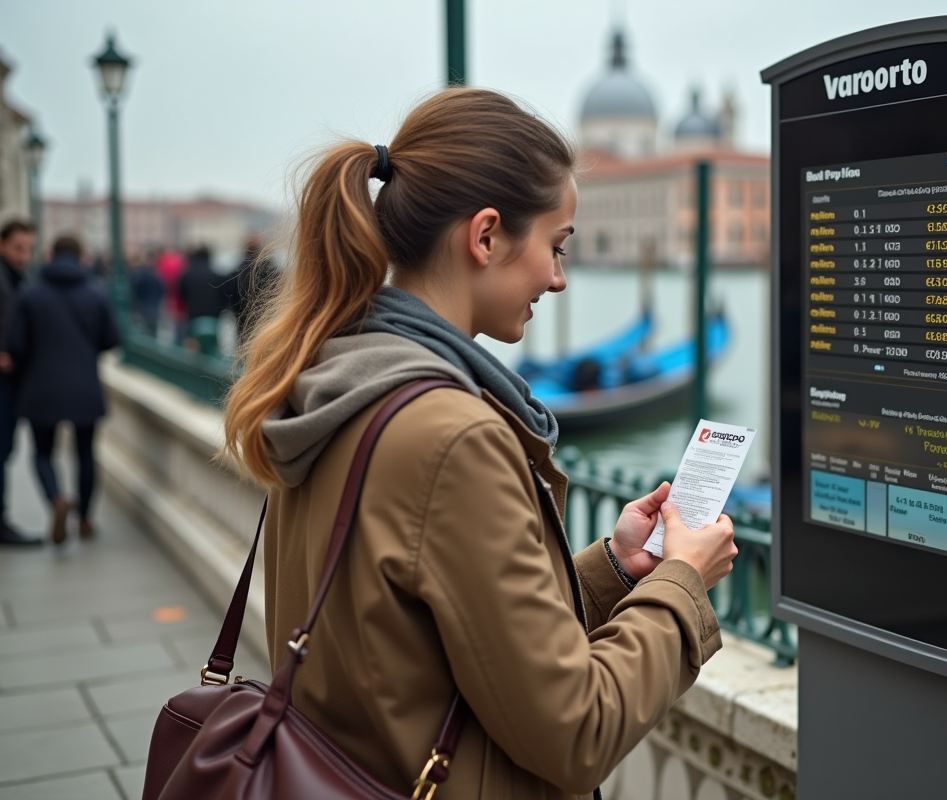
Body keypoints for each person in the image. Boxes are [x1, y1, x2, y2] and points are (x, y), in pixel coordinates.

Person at [222, 88, 737, 799]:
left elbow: (438, 633)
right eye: (555, 247)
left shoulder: (334, 376)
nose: (558, 278)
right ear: (487, 235)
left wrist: (616, 568)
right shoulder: (452, 436)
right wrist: (683, 583)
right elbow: (575, 729)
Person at [7, 235, 119, 544]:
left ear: (50, 255)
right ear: (82, 255)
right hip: (84, 385)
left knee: (43, 452)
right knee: (85, 453)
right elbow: (112, 339)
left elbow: (16, 344)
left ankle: (57, 500)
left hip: (40, 387)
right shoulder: (96, 292)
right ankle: (84, 520)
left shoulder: (30, 294)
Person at [0, 219, 39, 545]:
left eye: (29, 249)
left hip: (11, 379)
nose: (25, 255)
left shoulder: (17, 277)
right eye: (18, 248)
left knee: (5, 449)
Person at [228, 235, 278, 344]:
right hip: (265, 317)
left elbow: (232, 297)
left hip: (243, 319)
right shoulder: (270, 267)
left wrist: (237, 312)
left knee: (244, 348)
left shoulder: (238, 270)